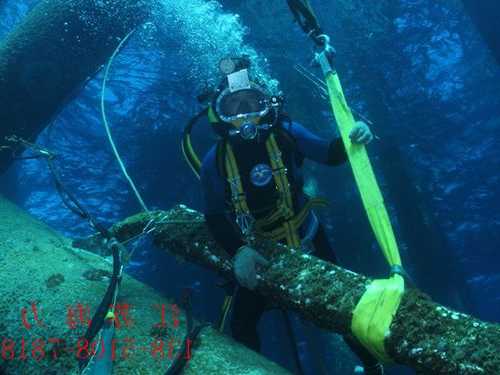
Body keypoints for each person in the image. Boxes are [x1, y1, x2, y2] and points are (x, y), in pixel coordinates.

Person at [198, 58, 383, 374]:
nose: (244, 114)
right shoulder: (213, 160)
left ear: (266, 103)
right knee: (243, 324)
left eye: (252, 102)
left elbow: (330, 154)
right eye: (234, 106)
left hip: (308, 236)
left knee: (342, 309)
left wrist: (355, 134)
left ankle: (373, 368)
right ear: (221, 114)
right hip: (258, 248)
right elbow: (214, 215)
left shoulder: (286, 133)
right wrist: (240, 251)